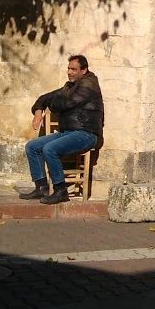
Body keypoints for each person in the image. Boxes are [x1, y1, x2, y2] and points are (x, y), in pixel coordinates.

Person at [20, 54, 103, 205]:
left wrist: (51, 104)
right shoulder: (70, 86)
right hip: (69, 132)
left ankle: (60, 190)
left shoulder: (89, 84)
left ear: (83, 70)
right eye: (68, 69)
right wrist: (38, 110)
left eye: (74, 69)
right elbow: (44, 97)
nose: (70, 72)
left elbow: (67, 103)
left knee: (50, 149)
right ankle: (41, 187)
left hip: (86, 134)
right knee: (32, 147)